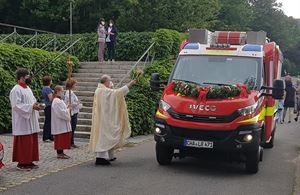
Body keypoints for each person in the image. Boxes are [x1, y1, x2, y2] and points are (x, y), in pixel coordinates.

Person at [89, 75, 136, 165]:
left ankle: (109, 155)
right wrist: (129, 84)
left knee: (108, 134)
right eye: (109, 81)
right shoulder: (102, 91)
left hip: (105, 116)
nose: (110, 82)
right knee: (104, 136)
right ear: (105, 82)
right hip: (103, 118)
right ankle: (101, 158)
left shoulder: (101, 90)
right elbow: (116, 94)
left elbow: (113, 93)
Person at [9, 68, 42, 170]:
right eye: (27, 76)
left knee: (31, 141)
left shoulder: (28, 88)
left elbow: (32, 100)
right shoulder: (16, 90)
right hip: (22, 120)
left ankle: (29, 161)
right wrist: (31, 107)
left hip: (30, 119)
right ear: (22, 77)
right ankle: (22, 163)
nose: (29, 78)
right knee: (24, 142)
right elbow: (16, 105)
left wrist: (37, 104)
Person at [51, 85, 72, 159]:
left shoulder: (59, 100)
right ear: (57, 92)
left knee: (62, 138)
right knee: (60, 138)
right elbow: (61, 112)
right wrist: (68, 110)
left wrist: (67, 107)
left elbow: (62, 109)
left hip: (61, 122)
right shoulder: (56, 101)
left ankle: (61, 152)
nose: (63, 92)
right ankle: (59, 153)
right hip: (59, 123)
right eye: (62, 91)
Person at [64, 79, 82, 148]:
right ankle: (70, 142)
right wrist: (78, 103)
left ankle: (71, 141)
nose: (75, 85)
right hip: (72, 112)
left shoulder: (70, 92)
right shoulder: (69, 93)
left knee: (72, 127)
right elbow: (70, 103)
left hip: (74, 111)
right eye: (74, 84)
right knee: (72, 127)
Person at [41, 76, 54, 142]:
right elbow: (51, 98)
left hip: (46, 106)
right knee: (48, 122)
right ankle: (46, 137)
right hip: (49, 106)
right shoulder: (48, 89)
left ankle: (49, 136)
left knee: (49, 121)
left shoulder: (44, 88)